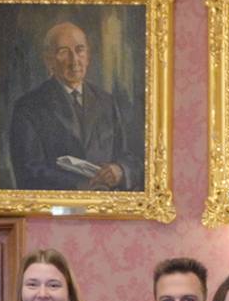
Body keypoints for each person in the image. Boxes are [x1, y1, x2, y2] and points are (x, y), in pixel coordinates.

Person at [7, 21, 139, 192]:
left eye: (80, 50)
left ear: (88, 56)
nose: (74, 60)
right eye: (63, 52)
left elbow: (128, 156)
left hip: (106, 206)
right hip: (57, 207)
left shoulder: (106, 102)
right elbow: (28, 171)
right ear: (49, 60)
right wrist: (77, 186)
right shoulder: (28, 107)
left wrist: (120, 170)